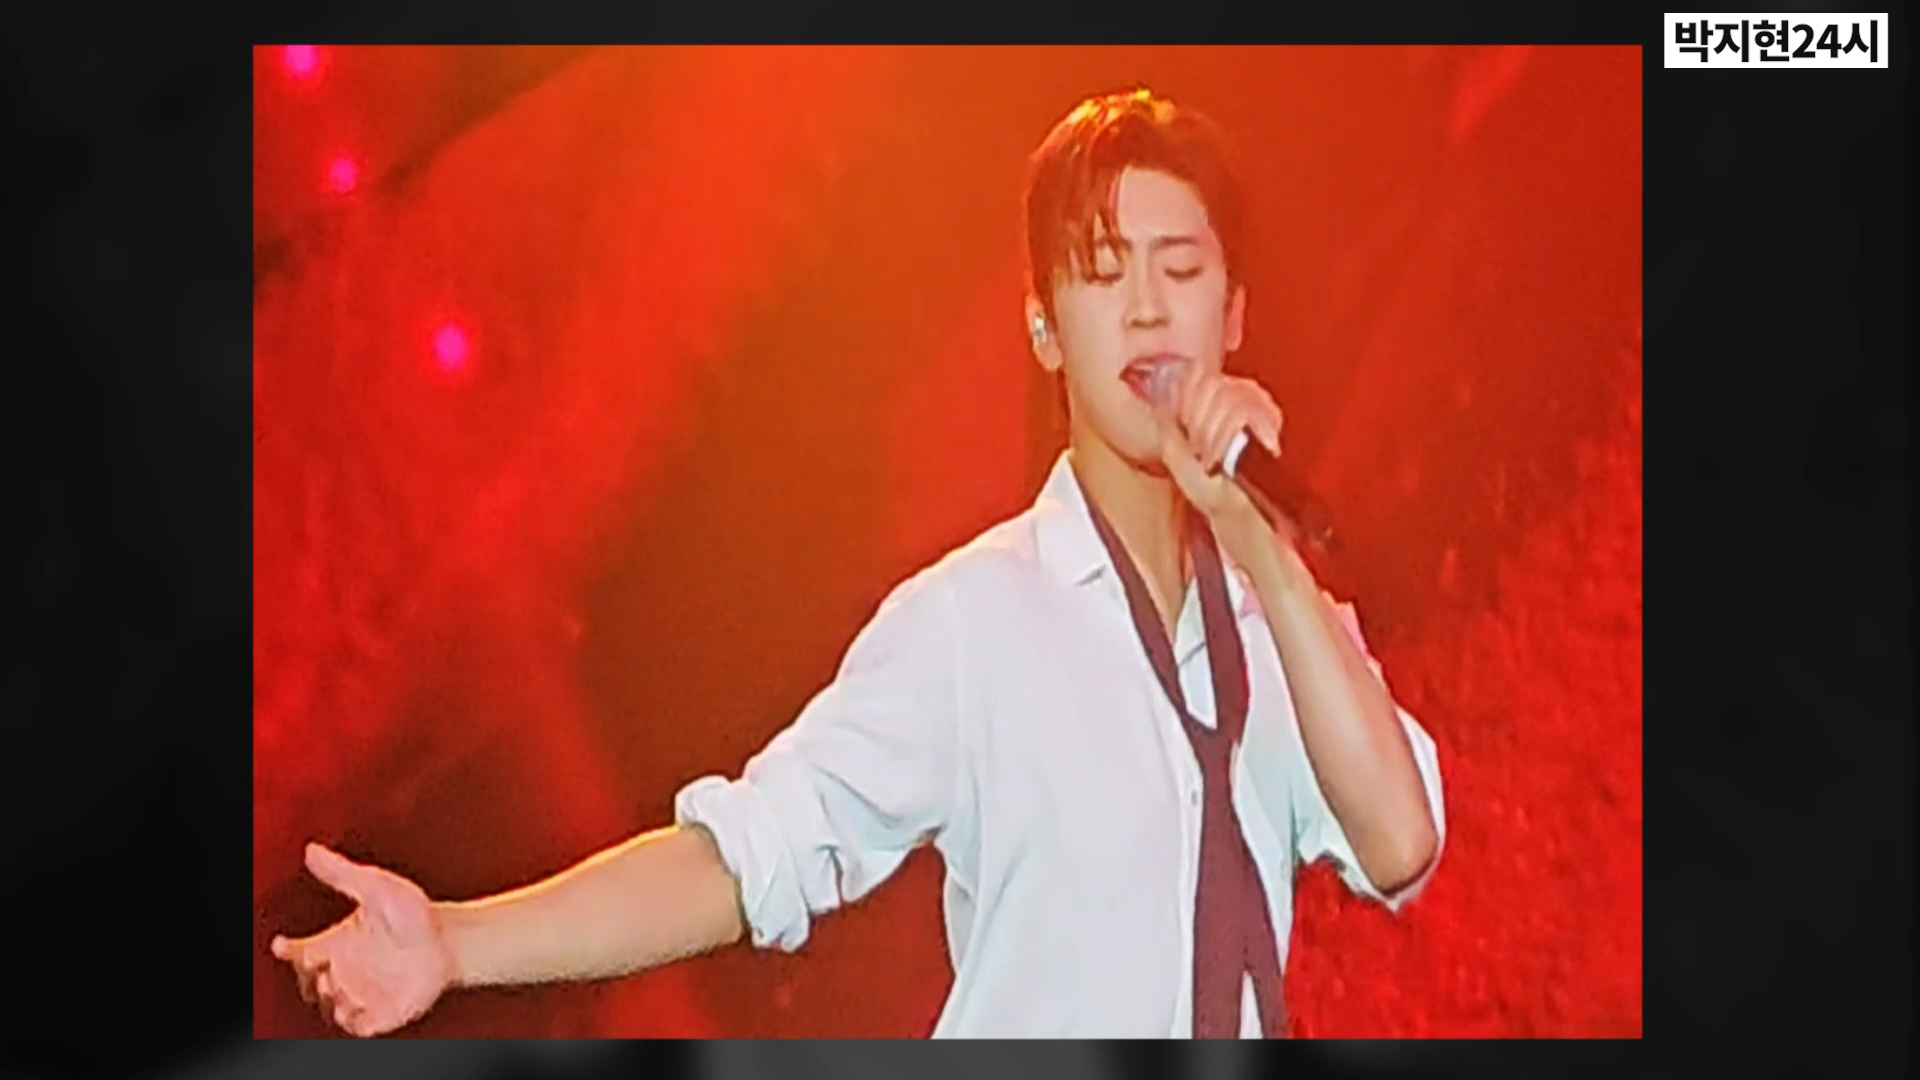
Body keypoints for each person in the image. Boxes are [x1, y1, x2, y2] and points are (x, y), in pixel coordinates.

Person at [271, 87, 1446, 1040]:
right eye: (1101, 270)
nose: (1146, 310)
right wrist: (456, 943)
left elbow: (1400, 846)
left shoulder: (1287, 625)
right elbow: (746, 861)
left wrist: (1257, 541)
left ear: (1233, 314)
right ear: (1043, 325)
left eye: (1179, 271)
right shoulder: (975, 622)